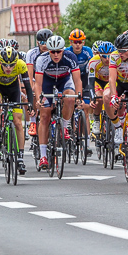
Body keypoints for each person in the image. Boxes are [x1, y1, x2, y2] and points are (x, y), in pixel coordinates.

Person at [33, 34, 82, 170]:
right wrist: (38, 99)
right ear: (48, 51)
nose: (55, 55)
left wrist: (79, 97)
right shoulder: (41, 59)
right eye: (52, 52)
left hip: (64, 81)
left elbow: (77, 80)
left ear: (63, 50)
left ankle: (65, 127)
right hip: (47, 82)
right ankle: (43, 156)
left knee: (70, 97)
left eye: (58, 51)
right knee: (44, 115)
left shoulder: (70, 57)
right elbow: (38, 84)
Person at [0, 46, 35, 175]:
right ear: (0, 62)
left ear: (16, 63)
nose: (8, 68)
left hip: (14, 90)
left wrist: (30, 105)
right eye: (5, 65)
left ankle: (20, 157)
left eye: (12, 65)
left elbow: (28, 87)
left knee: (18, 122)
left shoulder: (21, 65)